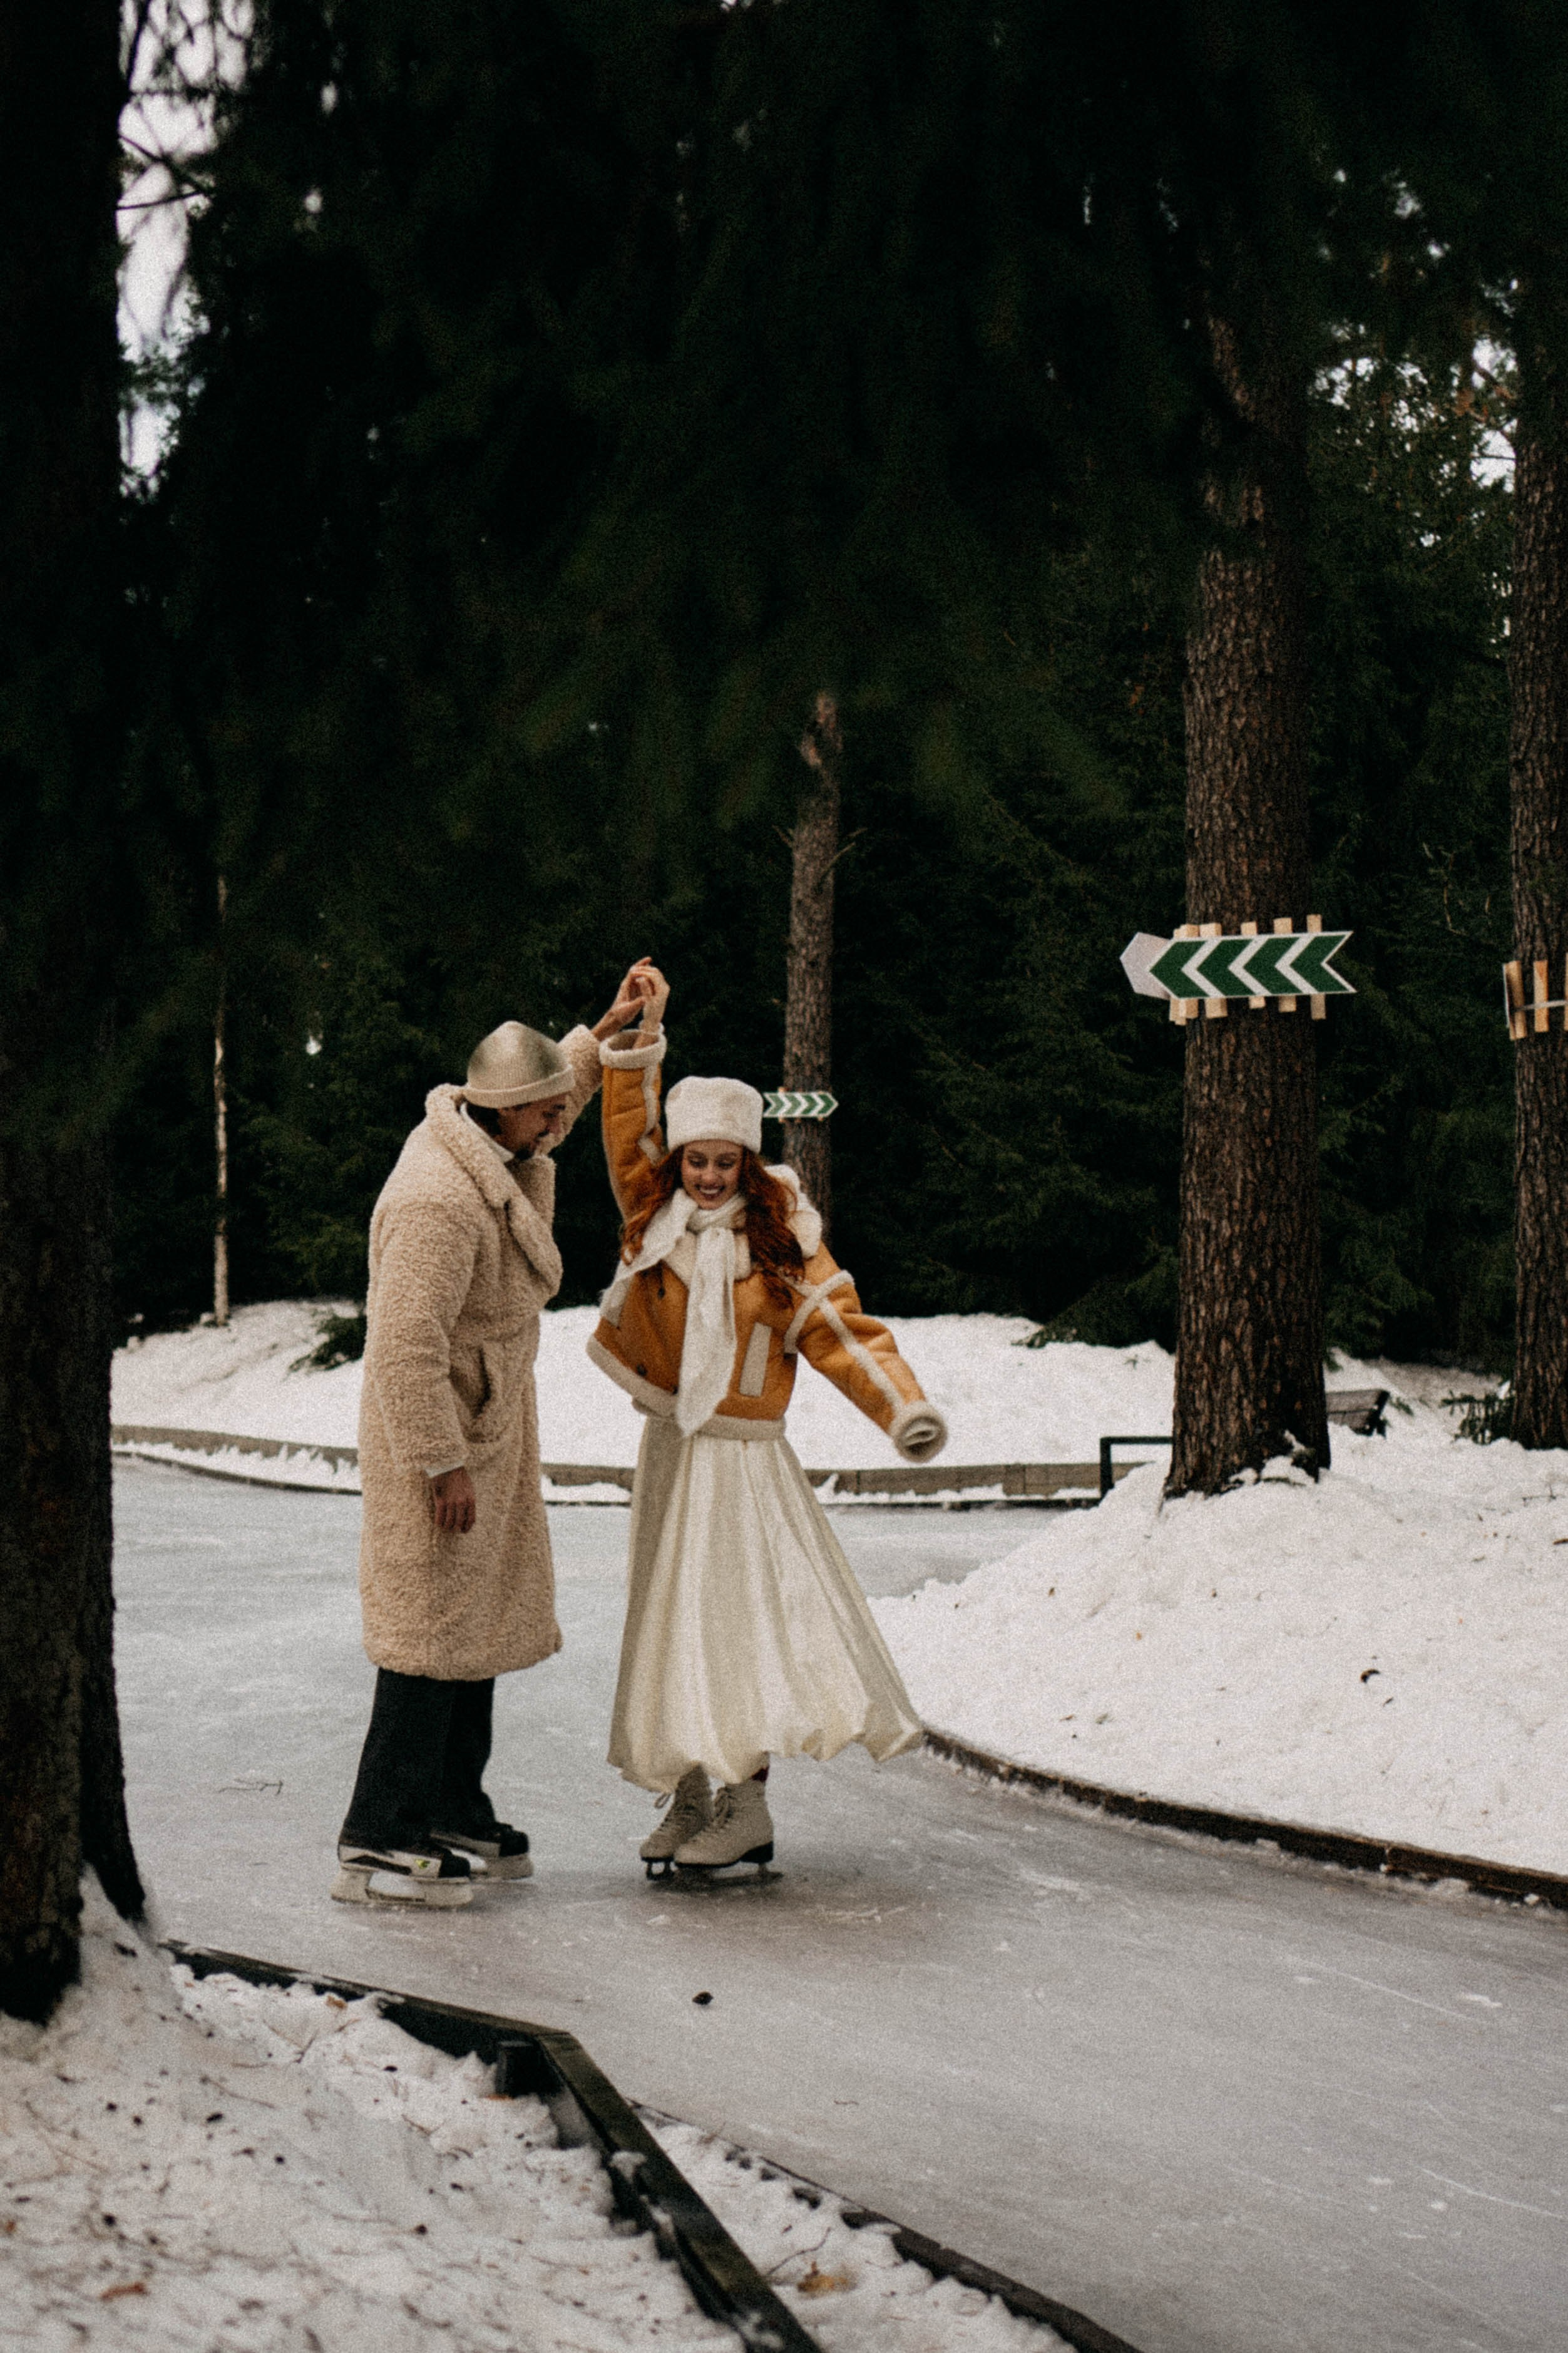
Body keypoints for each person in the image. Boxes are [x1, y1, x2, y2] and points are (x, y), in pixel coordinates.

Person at [587, 969, 947, 1875]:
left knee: (731, 1623)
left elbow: (841, 1330)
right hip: (675, 1447)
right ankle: (695, 1788)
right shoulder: (655, 1220)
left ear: (749, 1164)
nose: (707, 1176)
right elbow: (628, 1133)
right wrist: (637, 1039)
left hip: (743, 1464)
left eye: (724, 1162)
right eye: (696, 1160)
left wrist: (902, 1407)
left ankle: (744, 1801)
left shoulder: (782, 1244)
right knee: (668, 1620)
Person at [334, 962, 658, 1908]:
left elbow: (555, 1084)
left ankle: (448, 1801)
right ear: (498, 1112)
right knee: (427, 1630)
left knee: (471, 1628)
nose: (558, 1123)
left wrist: (604, 1030)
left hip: (485, 1427)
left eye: (559, 1108)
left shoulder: (493, 1138)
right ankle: (379, 1830)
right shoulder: (438, 1198)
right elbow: (403, 1348)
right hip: (438, 1440)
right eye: (543, 1113)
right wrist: (440, 1462)